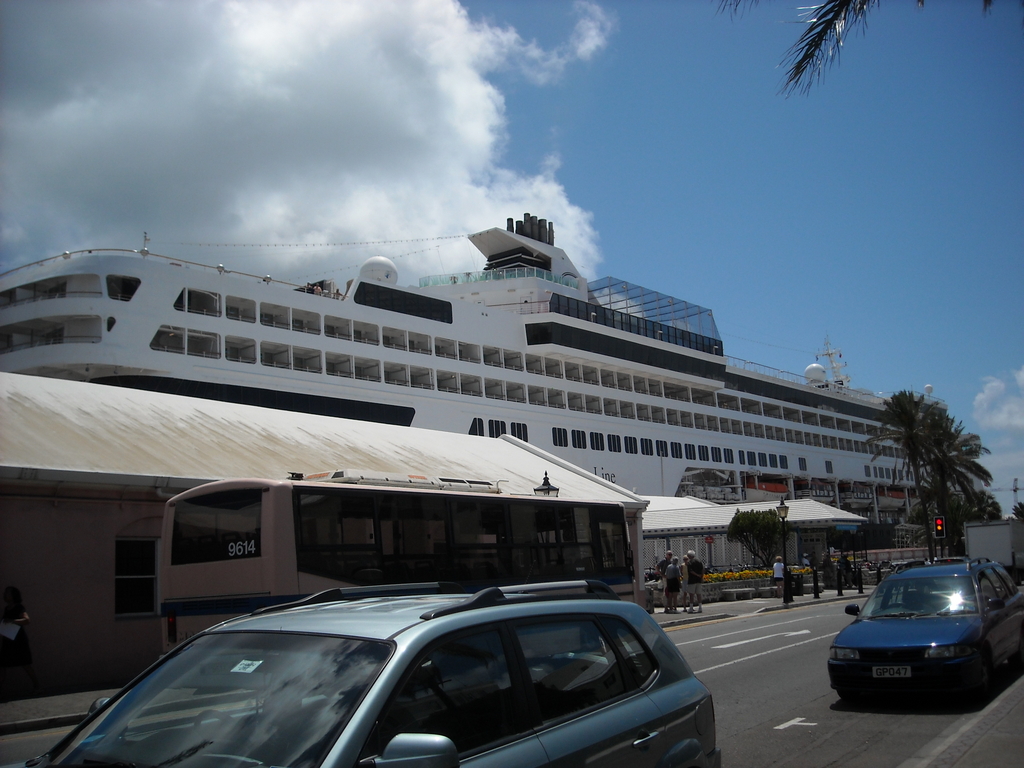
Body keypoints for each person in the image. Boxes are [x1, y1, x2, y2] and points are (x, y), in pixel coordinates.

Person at [0, 586, 39, 694]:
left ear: (13, 595)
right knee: (2, 665)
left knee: (25, 664)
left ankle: (37, 686)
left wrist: (12, 621)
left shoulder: (19, 608)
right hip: (8, 640)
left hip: (19, 640)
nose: (5, 594)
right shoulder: (6, 609)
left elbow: (26, 620)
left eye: (8, 593)